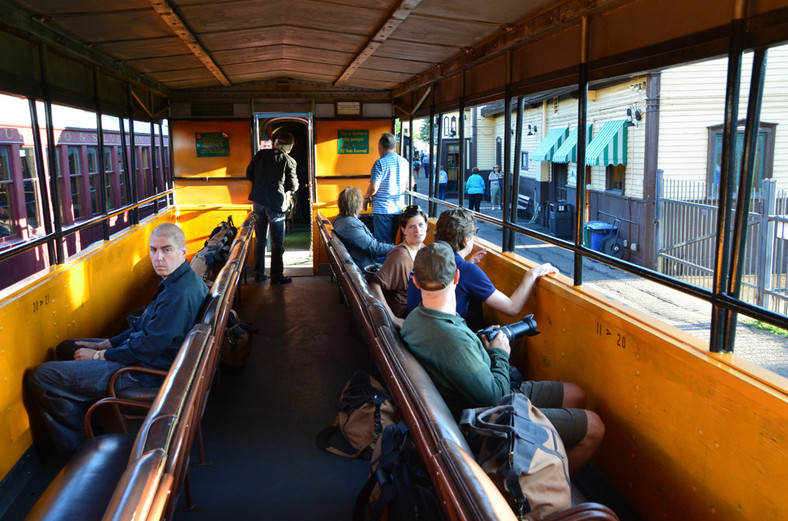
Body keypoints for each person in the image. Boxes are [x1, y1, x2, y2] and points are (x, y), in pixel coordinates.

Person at [400, 241, 604, 474]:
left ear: (416, 282)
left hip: (474, 389)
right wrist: (499, 352)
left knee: (576, 395)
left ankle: (548, 461)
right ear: (457, 278)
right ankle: (550, 493)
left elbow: (458, 356)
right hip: (485, 416)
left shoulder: (416, 318)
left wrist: (483, 346)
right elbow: (497, 397)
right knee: (594, 427)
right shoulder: (453, 340)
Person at [27, 223, 210, 461]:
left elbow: (148, 347)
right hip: (147, 357)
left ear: (183, 251)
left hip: (145, 371)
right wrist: (106, 345)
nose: (158, 257)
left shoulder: (179, 294)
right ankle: (90, 427)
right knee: (67, 348)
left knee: (43, 377)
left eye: (166, 250)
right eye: (153, 250)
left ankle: (77, 451)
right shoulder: (177, 281)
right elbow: (144, 328)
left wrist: (97, 356)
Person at [406, 208, 558, 331]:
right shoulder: (466, 270)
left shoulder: (425, 258)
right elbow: (512, 308)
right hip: (447, 337)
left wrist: (468, 264)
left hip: (418, 330)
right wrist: (531, 274)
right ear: (467, 240)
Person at [246, 131, 299, 284]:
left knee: (260, 240)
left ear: (276, 143)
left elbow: (249, 174)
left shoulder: (260, 155)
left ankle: (259, 274)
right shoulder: (288, 161)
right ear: (289, 147)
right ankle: (276, 276)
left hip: (258, 202)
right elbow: (293, 186)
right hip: (276, 205)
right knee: (277, 242)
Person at [369, 206, 428, 329]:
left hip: (420, 307)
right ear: (403, 230)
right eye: (412, 227)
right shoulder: (400, 255)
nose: (418, 230)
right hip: (406, 312)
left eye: (421, 225)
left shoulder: (424, 249)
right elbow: (375, 284)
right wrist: (392, 317)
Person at [332, 186, 395, 269]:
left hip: (360, 262)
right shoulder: (350, 225)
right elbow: (374, 248)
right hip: (367, 267)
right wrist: (400, 247)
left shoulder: (341, 219)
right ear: (356, 204)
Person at [363, 133, 409, 245]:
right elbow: (408, 184)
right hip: (398, 208)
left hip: (382, 210)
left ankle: (384, 263)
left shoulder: (380, 163)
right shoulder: (404, 162)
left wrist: (366, 197)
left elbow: (374, 187)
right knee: (394, 242)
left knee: (382, 244)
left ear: (381, 146)